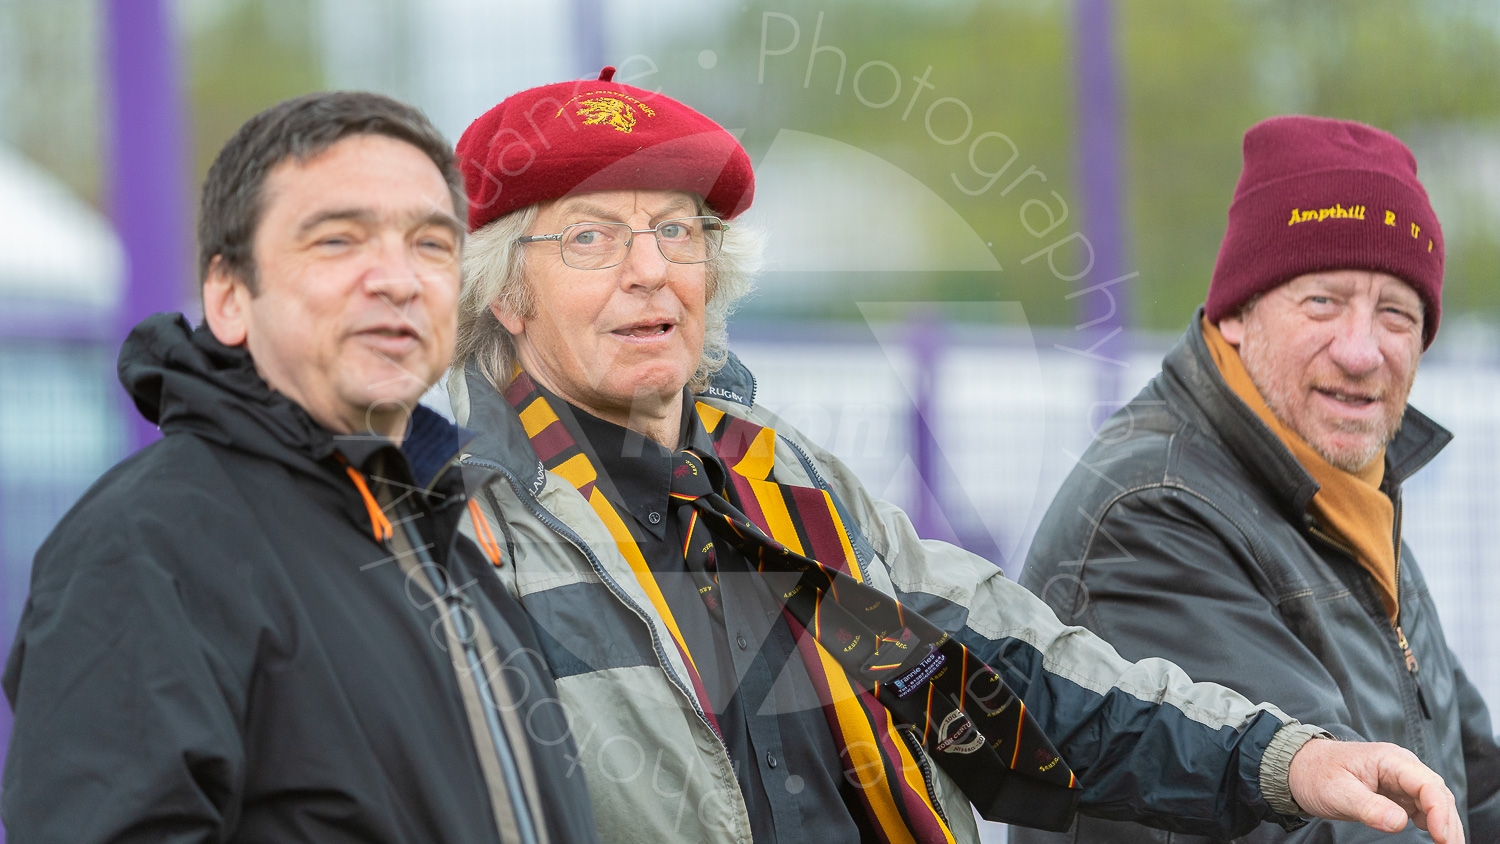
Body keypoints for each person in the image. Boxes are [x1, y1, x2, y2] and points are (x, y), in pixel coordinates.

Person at [449, 70, 1465, 843]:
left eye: (677, 232)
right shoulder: (465, 539)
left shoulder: (789, 491)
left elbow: (1010, 689)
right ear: (504, 292)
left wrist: (1286, 759)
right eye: (588, 238)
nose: (648, 273)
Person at [2, 91, 597, 843]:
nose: (397, 279)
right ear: (227, 296)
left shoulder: (451, 547)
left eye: (431, 244)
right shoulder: (146, 549)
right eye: (338, 241)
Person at [1019, 115, 1500, 842]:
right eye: (1323, 302)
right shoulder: (1153, 515)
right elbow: (1308, 825)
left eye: (1396, 314)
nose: (1362, 350)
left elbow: (1469, 785)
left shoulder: (1344, 487)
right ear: (1238, 313)